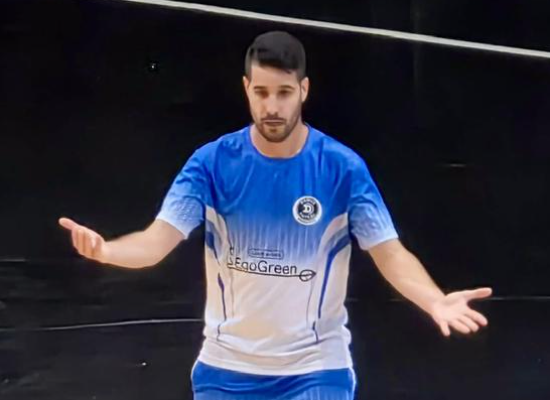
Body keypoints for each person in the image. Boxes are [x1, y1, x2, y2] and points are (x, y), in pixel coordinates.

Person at [59, 31, 492, 400]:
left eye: (284, 93)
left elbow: (389, 252)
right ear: (246, 88)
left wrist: (434, 300)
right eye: (261, 92)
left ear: (304, 90)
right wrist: (107, 251)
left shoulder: (341, 169)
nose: (272, 107)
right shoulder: (211, 164)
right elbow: (156, 241)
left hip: (315, 369)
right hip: (226, 370)